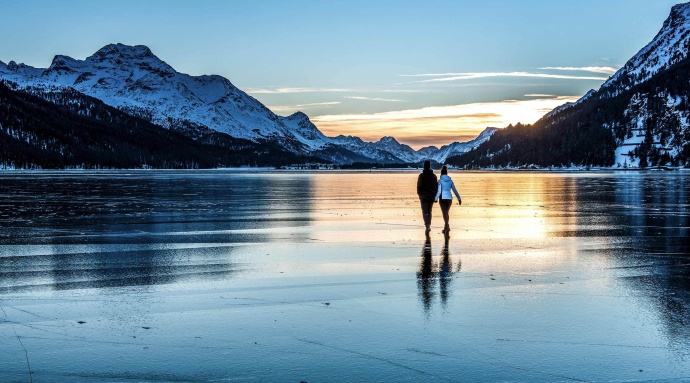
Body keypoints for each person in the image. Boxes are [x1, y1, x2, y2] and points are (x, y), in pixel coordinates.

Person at [434, 165, 461, 234]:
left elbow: (439, 191)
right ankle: (446, 227)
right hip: (449, 198)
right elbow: (455, 190)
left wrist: (436, 198)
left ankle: (447, 226)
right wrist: (459, 198)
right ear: (446, 173)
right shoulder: (450, 181)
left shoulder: (440, 181)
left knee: (444, 213)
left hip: (442, 199)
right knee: (446, 213)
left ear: (441, 173)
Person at [417, 160, 438, 232]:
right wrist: (435, 196)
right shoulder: (434, 176)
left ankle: (427, 225)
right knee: (429, 211)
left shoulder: (421, 176)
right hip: (431, 196)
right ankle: (429, 224)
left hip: (424, 196)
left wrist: (419, 194)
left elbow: (419, 186)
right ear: (429, 166)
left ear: (424, 166)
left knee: (425, 211)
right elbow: (436, 187)